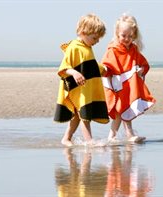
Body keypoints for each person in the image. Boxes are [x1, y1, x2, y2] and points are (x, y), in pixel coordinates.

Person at [54, 14, 109, 147]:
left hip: (85, 87)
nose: (97, 41)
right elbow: (63, 68)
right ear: (83, 32)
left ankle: (66, 138)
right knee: (85, 115)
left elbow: (89, 64)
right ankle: (89, 141)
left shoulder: (87, 48)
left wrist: (103, 69)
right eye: (94, 38)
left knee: (78, 115)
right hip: (76, 88)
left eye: (98, 38)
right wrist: (74, 73)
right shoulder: (74, 47)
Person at [101, 14, 156, 143]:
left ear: (134, 35)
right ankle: (118, 135)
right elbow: (106, 65)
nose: (127, 39)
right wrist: (106, 71)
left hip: (129, 85)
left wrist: (142, 69)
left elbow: (142, 62)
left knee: (126, 108)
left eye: (130, 36)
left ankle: (121, 135)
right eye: (123, 36)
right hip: (117, 85)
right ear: (117, 33)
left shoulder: (133, 49)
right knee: (121, 109)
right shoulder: (113, 49)